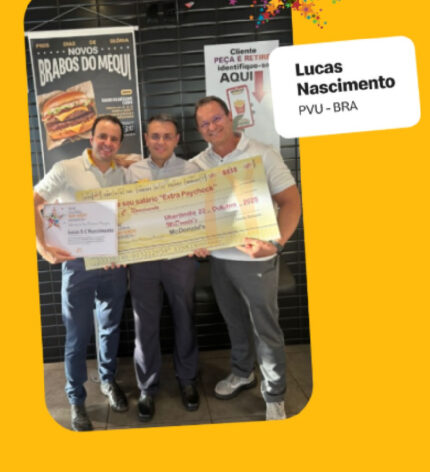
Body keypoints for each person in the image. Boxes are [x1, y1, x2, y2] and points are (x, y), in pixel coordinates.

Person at [190, 96, 302, 421]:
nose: (212, 127)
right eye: (204, 124)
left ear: (229, 117)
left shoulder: (263, 153)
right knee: (235, 322)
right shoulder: (197, 164)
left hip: (257, 260)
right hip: (219, 260)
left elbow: (291, 202)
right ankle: (243, 373)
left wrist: (276, 245)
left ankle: (275, 394)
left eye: (216, 118)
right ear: (199, 130)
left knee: (265, 328)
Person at [34, 115, 130, 431]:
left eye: (114, 139)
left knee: (110, 327)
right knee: (77, 335)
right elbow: (32, 202)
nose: (108, 143)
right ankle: (76, 398)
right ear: (91, 137)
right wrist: (44, 248)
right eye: (103, 136)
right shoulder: (66, 169)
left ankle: (107, 380)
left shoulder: (122, 173)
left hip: (113, 265)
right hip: (77, 266)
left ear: (119, 143)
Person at [125, 114, 203, 422]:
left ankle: (188, 380)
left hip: (180, 258)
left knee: (185, 318)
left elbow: (202, 209)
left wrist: (202, 239)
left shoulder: (191, 170)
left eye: (167, 136)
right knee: (144, 324)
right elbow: (121, 212)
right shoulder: (132, 172)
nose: (161, 142)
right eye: (155, 136)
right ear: (146, 139)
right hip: (143, 259)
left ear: (177, 139)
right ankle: (147, 386)